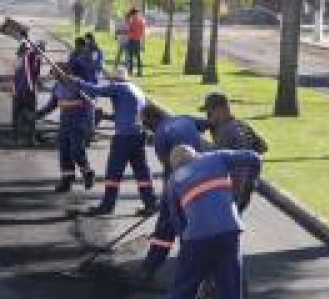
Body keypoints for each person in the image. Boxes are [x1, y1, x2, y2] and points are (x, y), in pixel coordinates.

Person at [155, 144, 262, 299]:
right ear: (196, 155)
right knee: (229, 288)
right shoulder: (216, 157)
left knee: (184, 289)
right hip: (229, 233)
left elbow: (176, 221)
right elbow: (253, 158)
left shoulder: (174, 181)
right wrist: (251, 183)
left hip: (197, 239)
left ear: (175, 165)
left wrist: (187, 244)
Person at [60, 65, 157, 216]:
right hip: (138, 135)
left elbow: (96, 90)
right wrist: (106, 116)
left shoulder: (119, 87)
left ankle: (107, 205)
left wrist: (76, 81)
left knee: (113, 172)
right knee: (141, 172)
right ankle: (150, 203)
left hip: (123, 138)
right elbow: (128, 114)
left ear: (115, 79)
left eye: (111, 80)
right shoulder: (136, 90)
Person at [138, 105, 209, 281]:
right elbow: (208, 124)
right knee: (201, 227)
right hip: (202, 179)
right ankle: (207, 276)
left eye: (147, 123)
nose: (147, 127)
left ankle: (150, 268)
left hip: (183, 181)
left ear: (154, 119)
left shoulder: (160, 136)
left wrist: (167, 199)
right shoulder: (185, 118)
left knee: (166, 227)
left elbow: (170, 170)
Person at [201, 92, 268, 212]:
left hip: (233, 187)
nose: (208, 116)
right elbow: (263, 146)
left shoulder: (225, 132)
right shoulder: (242, 125)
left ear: (221, 110)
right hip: (248, 185)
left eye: (210, 112)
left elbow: (213, 164)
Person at [33, 62, 95, 193]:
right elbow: (52, 104)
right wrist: (37, 115)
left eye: (55, 72)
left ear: (63, 72)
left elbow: (88, 102)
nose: (53, 75)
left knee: (76, 150)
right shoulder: (57, 86)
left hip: (79, 121)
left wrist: (67, 104)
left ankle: (87, 173)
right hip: (65, 122)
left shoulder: (77, 83)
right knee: (64, 151)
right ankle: (67, 180)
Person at [11, 41, 43, 146]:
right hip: (28, 92)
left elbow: (34, 74)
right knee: (31, 115)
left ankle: (16, 139)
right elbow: (32, 74)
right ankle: (30, 139)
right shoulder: (32, 58)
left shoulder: (18, 60)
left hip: (17, 92)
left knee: (16, 116)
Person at [125, 8, 147, 77]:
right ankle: (130, 71)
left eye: (136, 14)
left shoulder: (141, 22)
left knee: (138, 57)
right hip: (131, 40)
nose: (136, 15)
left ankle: (139, 72)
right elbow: (128, 31)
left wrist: (142, 41)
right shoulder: (131, 22)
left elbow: (142, 33)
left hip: (137, 40)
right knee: (130, 56)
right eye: (135, 14)